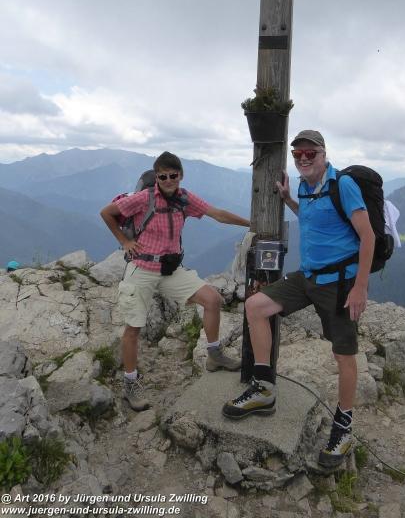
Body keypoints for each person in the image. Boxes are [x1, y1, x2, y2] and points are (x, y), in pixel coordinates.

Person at [222, 130, 375, 468]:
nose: (304, 158)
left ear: (324, 153)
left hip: (339, 283)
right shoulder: (306, 187)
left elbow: (368, 236)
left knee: (343, 355)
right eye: (298, 154)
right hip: (308, 277)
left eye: (310, 153)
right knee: (255, 306)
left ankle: (344, 427)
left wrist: (360, 287)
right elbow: (309, 217)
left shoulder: (343, 185)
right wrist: (289, 198)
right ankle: (264, 389)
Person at [100, 151, 251, 412]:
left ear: (181, 175)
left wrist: (251, 223)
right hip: (142, 268)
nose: (168, 180)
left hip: (170, 270)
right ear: (157, 177)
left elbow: (217, 214)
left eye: (173, 175)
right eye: (163, 176)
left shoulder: (184, 198)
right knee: (133, 329)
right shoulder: (144, 198)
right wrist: (124, 242)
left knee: (212, 300)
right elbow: (107, 213)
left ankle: (214, 355)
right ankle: (130, 384)